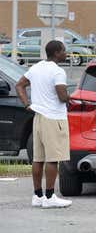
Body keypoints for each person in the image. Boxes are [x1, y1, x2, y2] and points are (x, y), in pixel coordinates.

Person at [15, 40, 72, 209]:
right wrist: (72, 98)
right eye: (63, 51)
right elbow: (62, 97)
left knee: (38, 159)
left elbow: (19, 85)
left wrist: (27, 104)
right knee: (53, 159)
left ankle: (37, 195)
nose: (66, 53)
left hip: (38, 117)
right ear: (56, 53)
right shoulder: (58, 72)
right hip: (54, 118)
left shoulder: (37, 67)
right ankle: (49, 196)